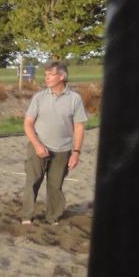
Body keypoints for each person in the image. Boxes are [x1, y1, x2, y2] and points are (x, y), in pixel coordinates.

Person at [21, 61, 88, 225]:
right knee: (32, 182)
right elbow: (28, 124)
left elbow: (79, 127)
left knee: (55, 186)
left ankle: (52, 217)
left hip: (63, 150)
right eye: (46, 75)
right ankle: (26, 216)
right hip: (38, 147)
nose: (47, 78)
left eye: (50, 75)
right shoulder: (39, 97)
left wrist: (76, 152)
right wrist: (37, 145)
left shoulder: (75, 99)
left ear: (62, 76)